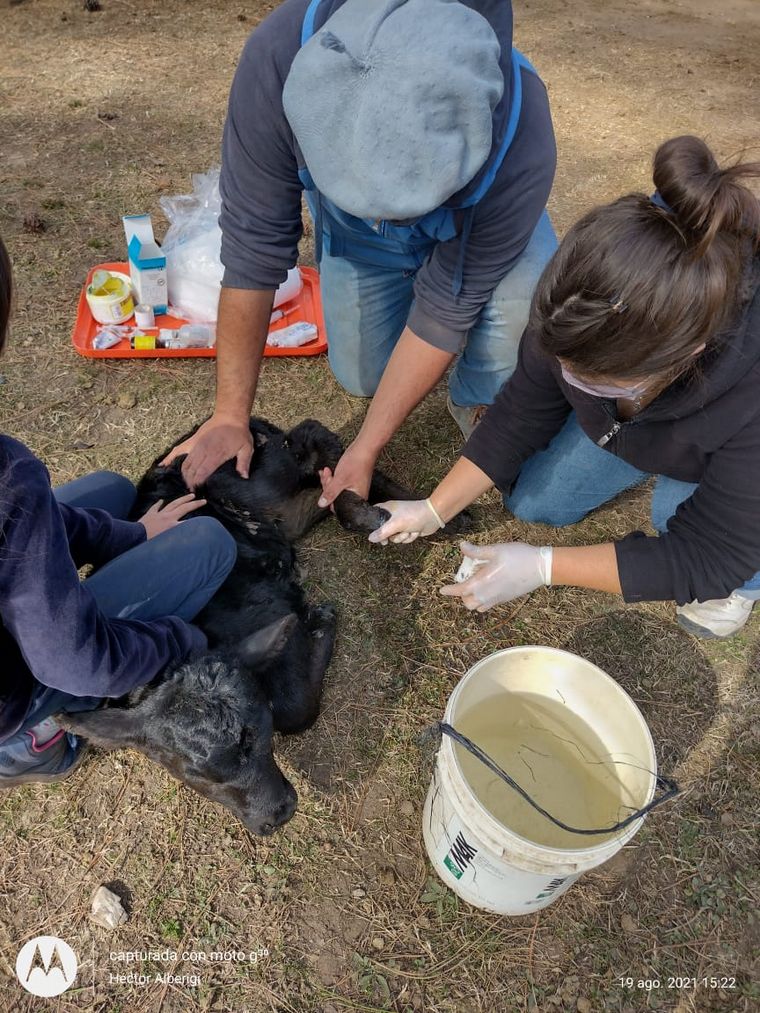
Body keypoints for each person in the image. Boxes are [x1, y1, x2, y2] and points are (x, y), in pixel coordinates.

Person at [367, 136, 760, 640]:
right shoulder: (582, 301)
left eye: (594, 377)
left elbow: (707, 555)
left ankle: (748, 581)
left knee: (680, 520)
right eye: (564, 365)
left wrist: (544, 567)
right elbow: (519, 413)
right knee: (536, 503)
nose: (566, 378)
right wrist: (433, 508)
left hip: (725, 444)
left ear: (686, 356)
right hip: (644, 422)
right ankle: (647, 444)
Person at [166, 0, 557, 506]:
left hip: (478, 224)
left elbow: (446, 306)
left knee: (520, 297)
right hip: (355, 230)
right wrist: (228, 416)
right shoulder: (275, 59)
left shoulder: (520, 134)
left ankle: (477, 396)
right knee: (364, 376)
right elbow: (252, 251)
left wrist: (366, 450)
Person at [0, 236, 238, 787]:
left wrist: (130, 537)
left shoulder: (11, 487)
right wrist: (181, 640)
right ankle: (26, 742)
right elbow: (80, 665)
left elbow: (24, 525)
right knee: (210, 545)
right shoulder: (7, 476)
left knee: (109, 488)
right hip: (13, 690)